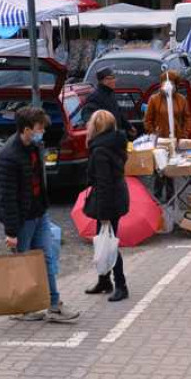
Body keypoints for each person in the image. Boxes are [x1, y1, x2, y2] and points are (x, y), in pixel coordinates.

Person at [0, 106, 78, 322]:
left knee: (46, 259)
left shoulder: (34, 147)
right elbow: (7, 197)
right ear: (27, 129)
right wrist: (11, 232)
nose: (43, 132)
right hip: (22, 219)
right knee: (23, 263)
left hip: (39, 213)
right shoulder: (9, 156)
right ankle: (23, 307)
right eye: (39, 128)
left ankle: (53, 305)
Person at [83, 110, 131, 302]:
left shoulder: (100, 149)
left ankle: (121, 284)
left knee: (109, 244)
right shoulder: (115, 142)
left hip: (108, 200)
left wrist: (103, 213)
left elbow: (103, 184)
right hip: (117, 195)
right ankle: (104, 280)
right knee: (103, 240)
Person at [83, 67, 133, 139]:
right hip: (105, 138)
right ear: (104, 80)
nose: (114, 80)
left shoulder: (110, 93)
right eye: (111, 78)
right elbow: (88, 117)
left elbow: (118, 113)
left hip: (116, 135)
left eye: (114, 78)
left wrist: (128, 126)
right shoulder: (95, 97)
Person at [143, 70, 191, 139]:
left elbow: (187, 119)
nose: (168, 86)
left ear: (176, 85)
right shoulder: (154, 99)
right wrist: (153, 134)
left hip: (178, 138)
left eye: (171, 83)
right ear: (161, 84)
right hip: (160, 139)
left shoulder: (182, 100)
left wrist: (184, 134)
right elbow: (147, 119)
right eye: (165, 83)